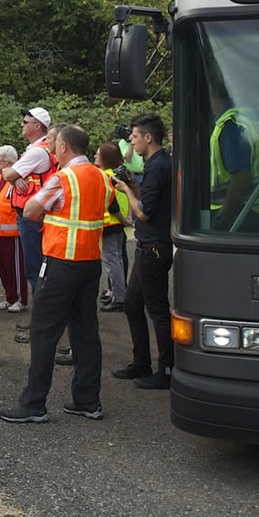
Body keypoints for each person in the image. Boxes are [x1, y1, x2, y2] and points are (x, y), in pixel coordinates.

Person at [0, 124, 109, 423]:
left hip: (61, 262)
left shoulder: (64, 178)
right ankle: (88, 400)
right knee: (86, 331)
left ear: (64, 147)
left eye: (54, 144)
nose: (51, 149)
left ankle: (34, 404)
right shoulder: (101, 176)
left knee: (44, 331)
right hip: (90, 263)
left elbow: (33, 210)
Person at [111, 113, 174, 390]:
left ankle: (167, 369)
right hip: (149, 247)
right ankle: (141, 362)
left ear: (148, 137)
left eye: (135, 137)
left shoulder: (159, 166)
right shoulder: (158, 164)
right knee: (134, 304)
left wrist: (125, 189)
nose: (132, 142)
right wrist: (135, 185)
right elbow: (149, 198)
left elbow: (144, 212)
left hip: (154, 248)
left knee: (157, 309)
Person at [0, 107, 56, 296]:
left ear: (37, 126)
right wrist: (15, 178)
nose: (21, 125)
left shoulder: (37, 153)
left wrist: (12, 176)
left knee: (35, 269)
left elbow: (6, 172)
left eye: (25, 122)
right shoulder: (42, 149)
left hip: (31, 216)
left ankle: (41, 318)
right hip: (37, 213)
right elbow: (10, 174)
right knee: (40, 266)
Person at [209, 84, 259, 233]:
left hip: (243, 216)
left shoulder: (230, 124)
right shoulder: (251, 117)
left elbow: (241, 179)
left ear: (213, 93)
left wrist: (222, 219)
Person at [0, 145, 28, 312]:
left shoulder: (18, 180)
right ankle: (9, 297)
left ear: (10, 163)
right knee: (3, 267)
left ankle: (20, 299)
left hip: (13, 233)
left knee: (16, 268)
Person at [95, 142, 130, 311]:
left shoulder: (105, 176)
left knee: (112, 261)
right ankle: (118, 294)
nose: (94, 156)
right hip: (117, 223)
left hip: (112, 223)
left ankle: (119, 298)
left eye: (98, 154)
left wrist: (123, 219)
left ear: (105, 158)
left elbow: (112, 204)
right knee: (117, 259)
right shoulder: (117, 175)